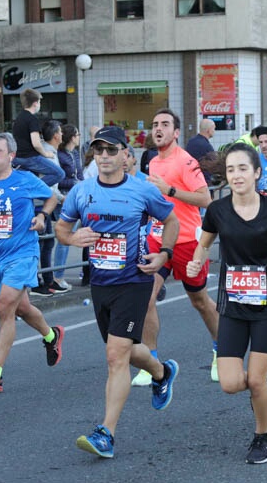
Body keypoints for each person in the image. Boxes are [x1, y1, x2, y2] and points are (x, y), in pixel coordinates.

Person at [55, 126, 179, 458]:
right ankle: (162, 371)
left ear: (126, 154)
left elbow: (172, 221)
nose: (105, 157)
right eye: (99, 151)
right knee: (124, 350)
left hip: (134, 281)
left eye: (111, 151)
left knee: (115, 357)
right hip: (101, 283)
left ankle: (106, 433)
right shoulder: (81, 192)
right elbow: (61, 228)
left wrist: (164, 253)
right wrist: (71, 239)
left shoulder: (142, 191)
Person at [187, 143, 267, 464]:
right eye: (232, 169)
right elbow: (204, 243)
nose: (236, 175)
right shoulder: (218, 211)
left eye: (243, 169)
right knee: (230, 383)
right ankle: (260, 379)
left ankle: (263, 438)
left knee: (254, 380)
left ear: (257, 173)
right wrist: (197, 263)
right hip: (233, 304)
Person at [0, 133, 66, 393]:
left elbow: (52, 197)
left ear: (10, 156)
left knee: (4, 305)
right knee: (21, 308)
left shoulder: (25, 180)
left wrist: (42, 216)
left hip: (23, 252)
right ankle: (52, 336)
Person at [139, 108, 221, 384]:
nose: (158, 128)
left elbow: (205, 199)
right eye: (154, 124)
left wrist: (170, 191)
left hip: (187, 241)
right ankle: (149, 361)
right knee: (145, 299)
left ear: (176, 133)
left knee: (199, 301)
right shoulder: (152, 161)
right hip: (157, 238)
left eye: (164, 124)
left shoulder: (186, 161)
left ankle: (221, 352)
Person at [31, 120, 70, 297]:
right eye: (60, 132)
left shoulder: (51, 152)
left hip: (46, 202)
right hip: (41, 204)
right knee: (41, 244)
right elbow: (48, 185)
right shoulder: (47, 154)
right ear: (55, 135)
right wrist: (61, 197)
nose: (62, 135)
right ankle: (37, 281)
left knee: (47, 243)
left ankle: (48, 279)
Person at [10, 88, 65, 187]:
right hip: (30, 157)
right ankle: (33, 189)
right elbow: (36, 143)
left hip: (18, 158)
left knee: (26, 181)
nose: (40, 104)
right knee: (59, 174)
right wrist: (46, 154)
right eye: (39, 101)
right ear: (35, 103)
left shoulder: (18, 118)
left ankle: (28, 190)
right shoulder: (32, 119)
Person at [53, 123, 83, 291]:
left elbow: (80, 174)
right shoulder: (60, 155)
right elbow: (59, 179)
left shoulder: (76, 154)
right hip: (64, 196)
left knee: (69, 237)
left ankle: (58, 275)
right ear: (72, 137)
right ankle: (58, 276)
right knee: (63, 237)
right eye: (77, 134)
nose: (79, 137)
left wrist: (82, 185)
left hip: (76, 196)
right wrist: (73, 182)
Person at [186, 118, 218, 185]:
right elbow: (215, 164)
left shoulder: (191, 142)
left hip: (190, 179)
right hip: (204, 181)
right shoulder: (207, 146)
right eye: (213, 129)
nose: (214, 131)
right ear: (209, 130)